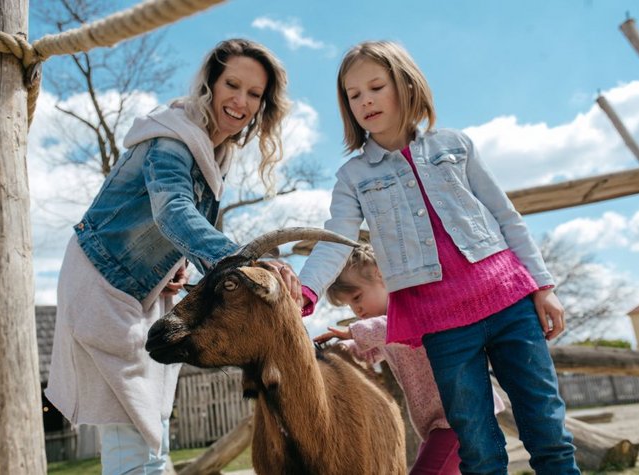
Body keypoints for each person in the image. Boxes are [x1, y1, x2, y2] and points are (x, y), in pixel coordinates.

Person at [299, 41, 580, 474]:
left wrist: (543, 286)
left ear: (406, 85)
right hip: (443, 326)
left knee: (548, 431)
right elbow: (336, 236)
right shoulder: (353, 177)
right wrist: (305, 289)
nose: (365, 100)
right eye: (353, 95)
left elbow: (507, 217)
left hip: (509, 304)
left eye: (376, 86)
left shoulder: (456, 145)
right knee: (479, 450)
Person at [45, 38, 297, 475]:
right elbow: (172, 209)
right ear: (210, 85)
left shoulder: (216, 154)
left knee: (153, 432)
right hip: (103, 285)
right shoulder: (172, 139)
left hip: (143, 291)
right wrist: (243, 261)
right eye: (232, 85)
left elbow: (166, 227)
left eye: (254, 94)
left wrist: (173, 266)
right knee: (132, 432)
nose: (240, 101)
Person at [314, 243, 505, 475]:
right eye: (350, 305)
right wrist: (338, 350)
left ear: (380, 274)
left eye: (357, 297)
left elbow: (394, 327)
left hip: (463, 415)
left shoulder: (413, 307)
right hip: (439, 424)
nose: (357, 309)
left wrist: (354, 331)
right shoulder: (385, 327)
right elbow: (371, 350)